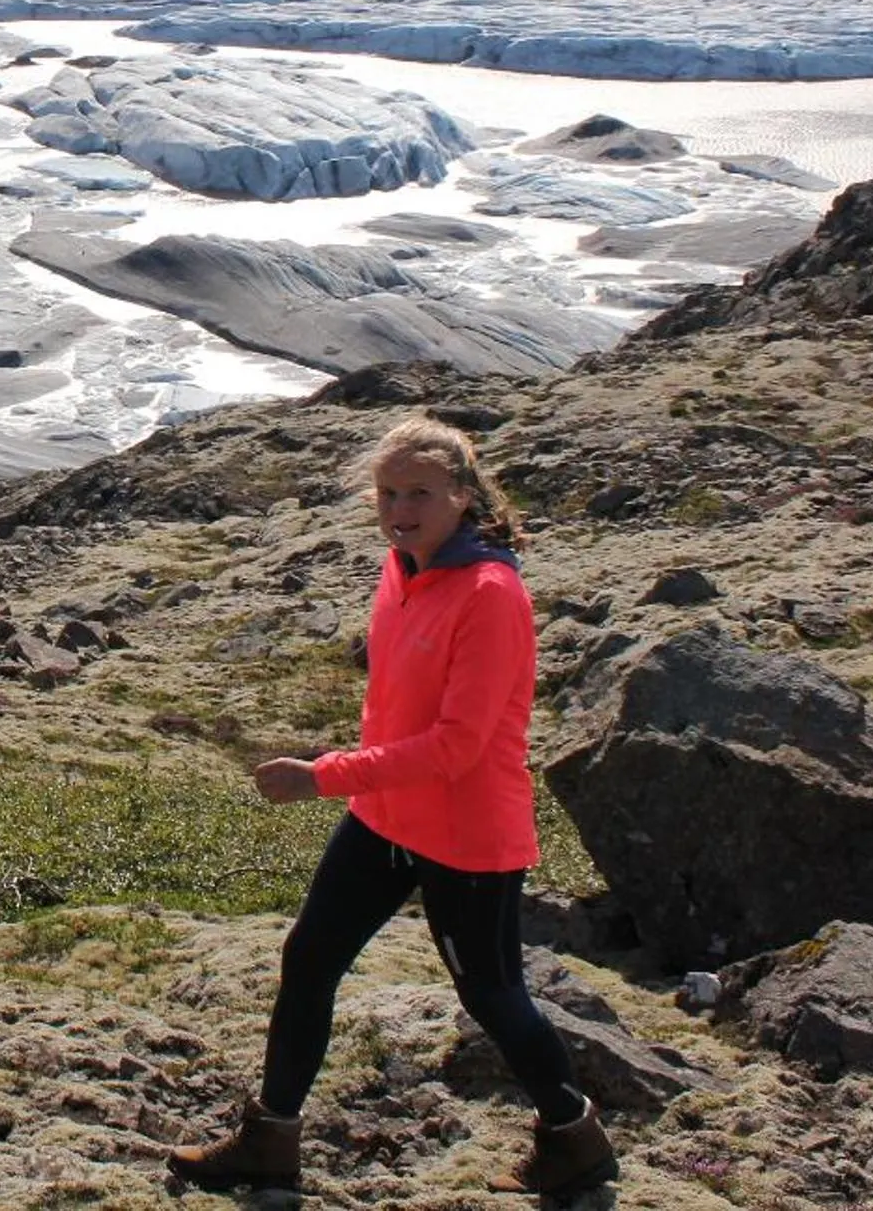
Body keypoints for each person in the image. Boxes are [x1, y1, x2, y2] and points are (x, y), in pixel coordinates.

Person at [164, 415, 617, 1203]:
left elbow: (457, 746)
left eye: (419, 493)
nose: (399, 509)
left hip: (464, 833)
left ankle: (573, 1138)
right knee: (309, 961)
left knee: (491, 993)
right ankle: (269, 1139)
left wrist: (324, 776)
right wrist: (356, 779)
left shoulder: (489, 593)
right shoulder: (401, 569)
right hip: (384, 816)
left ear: (463, 497)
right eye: (386, 492)